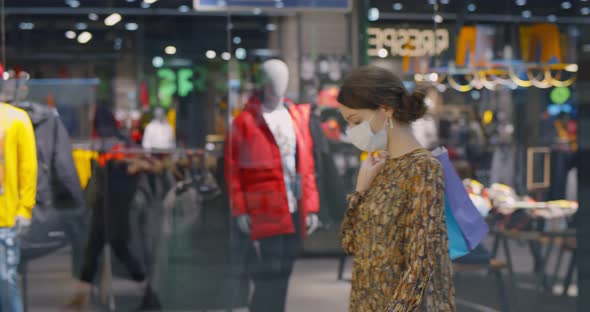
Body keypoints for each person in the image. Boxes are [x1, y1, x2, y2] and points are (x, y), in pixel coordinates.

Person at [337, 66, 455, 312]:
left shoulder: (422, 169)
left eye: (356, 121)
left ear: (386, 109)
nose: (352, 131)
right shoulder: (382, 167)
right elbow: (351, 244)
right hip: (366, 301)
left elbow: (422, 262)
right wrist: (360, 190)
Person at [0, 102, 37, 312]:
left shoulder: (16, 118)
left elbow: (28, 168)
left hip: (5, 221)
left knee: (5, 284)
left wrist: (25, 208)